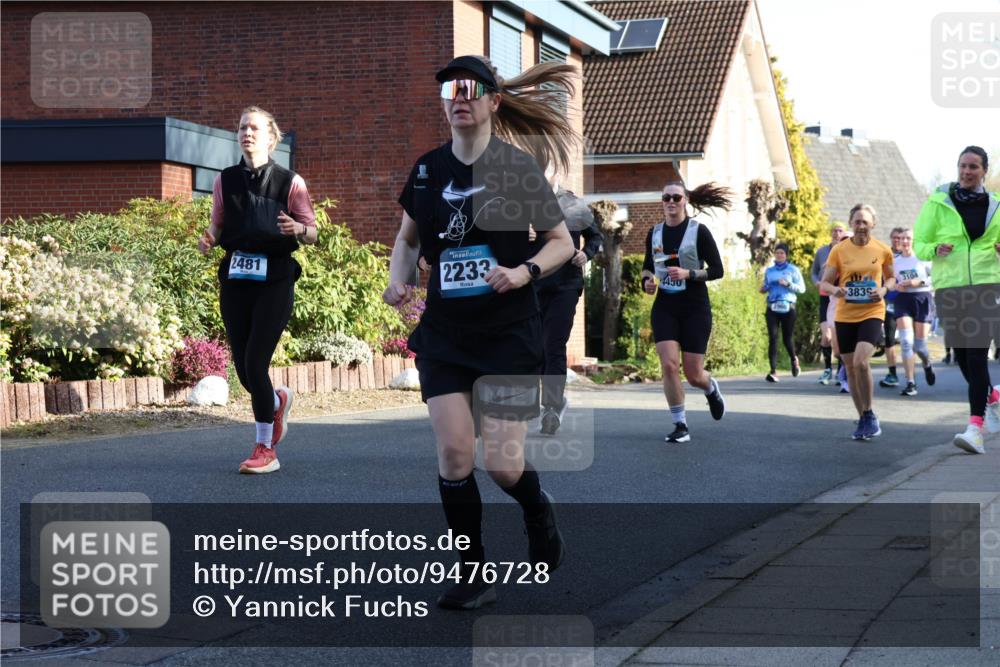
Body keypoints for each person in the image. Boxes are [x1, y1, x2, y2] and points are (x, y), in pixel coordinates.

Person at [383, 55, 576, 609]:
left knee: (503, 465)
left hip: (509, 335)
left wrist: (524, 271)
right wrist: (400, 281)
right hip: (445, 334)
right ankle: (473, 572)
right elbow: (409, 241)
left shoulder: (517, 169)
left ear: (493, 101)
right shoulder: (426, 171)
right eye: (449, 89)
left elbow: (561, 241)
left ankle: (538, 510)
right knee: (453, 455)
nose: (458, 97)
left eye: (469, 89)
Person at [198, 106, 317, 474]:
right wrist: (209, 238)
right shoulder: (225, 180)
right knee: (244, 369)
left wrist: (297, 230)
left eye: (254, 128)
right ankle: (277, 401)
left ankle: (266, 448)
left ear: (271, 137)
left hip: (275, 278)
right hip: (236, 277)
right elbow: (218, 223)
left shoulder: (289, 182)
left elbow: (312, 232)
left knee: (255, 361)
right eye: (241, 128)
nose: (246, 133)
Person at [914, 146, 1000, 454]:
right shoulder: (938, 203)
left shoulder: (996, 206)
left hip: (986, 287)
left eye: (973, 167)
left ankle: (975, 429)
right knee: (962, 356)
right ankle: (993, 398)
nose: (966, 171)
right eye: (963, 165)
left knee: (976, 355)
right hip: (949, 288)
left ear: (984, 172)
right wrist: (935, 250)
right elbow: (920, 244)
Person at [641, 180, 729, 443]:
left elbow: (717, 270)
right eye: (666, 197)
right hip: (665, 306)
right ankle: (680, 424)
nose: (671, 202)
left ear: (685, 201)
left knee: (693, 374)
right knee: (669, 365)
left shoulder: (699, 231)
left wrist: (689, 273)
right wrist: (646, 281)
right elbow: (647, 266)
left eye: (676, 198)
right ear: (662, 201)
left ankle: (710, 388)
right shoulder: (654, 232)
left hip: (695, 307)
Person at [819, 204, 895, 440]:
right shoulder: (839, 251)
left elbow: (892, 278)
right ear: (851, 224)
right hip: (845, 314)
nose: (861, 226)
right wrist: (837, 290)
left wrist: (883, 290)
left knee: (862, 361)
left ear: (873, 224)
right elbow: (824, 283)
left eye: (865, 222)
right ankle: (862, 416)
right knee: (850, 367)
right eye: (857, 221)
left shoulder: (882, 250)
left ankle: (870, 412)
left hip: (872, 311)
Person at [534, 188, 603, 435]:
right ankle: (555, 401)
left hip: (565, 285)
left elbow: (595, 237)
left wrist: (586, 253)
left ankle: (551, 407)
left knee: (553, 344)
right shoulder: (523, 199)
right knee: (535, 348)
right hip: (532, 284)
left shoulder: (572, 203)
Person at [892, 227, 936, 396]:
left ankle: (927, 364)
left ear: (913, 241)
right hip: (903, 300)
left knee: (920, 346)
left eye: (908, 238)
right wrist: (894, 285)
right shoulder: (895, 261)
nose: (904, 241)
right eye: (901, 238)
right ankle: (910, 382)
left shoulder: (923, 259)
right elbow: (890, 279)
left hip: (922, 299)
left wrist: (919, 281)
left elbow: (936, 277)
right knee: (905, 342)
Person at [760, 242, 806, 382]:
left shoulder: (793, 270)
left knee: (787, 339)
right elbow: (766, 286)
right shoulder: (770, 271)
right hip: (772, 307)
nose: (779, 255)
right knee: (772, 339)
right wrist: (764, 288)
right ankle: (773, 372)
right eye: (777, 252)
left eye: (782, 253)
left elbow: (802, 289)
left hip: (788, 307)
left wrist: (788, 284)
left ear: (786, 255)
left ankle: (794, 359)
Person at [811, 222, 847, 384]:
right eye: (834, 230)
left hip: (840, 298)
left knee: (839, 338)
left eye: (840, 231)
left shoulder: (847, 251)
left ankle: (841, 369)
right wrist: (818, 282)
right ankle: (827, 369)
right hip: (825, 296)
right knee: (826, 337)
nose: (836, 233)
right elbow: (813, 272)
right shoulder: (822, 251)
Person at [877, 228, 905, 386]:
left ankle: (916, 372)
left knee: (910, 341)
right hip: (889, 301)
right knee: (889, 338)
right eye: (894, 238)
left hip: (907, 301)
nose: (897, 241)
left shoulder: (910, 256)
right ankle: (892, 373)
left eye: (900, 238)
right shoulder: (885, 255)